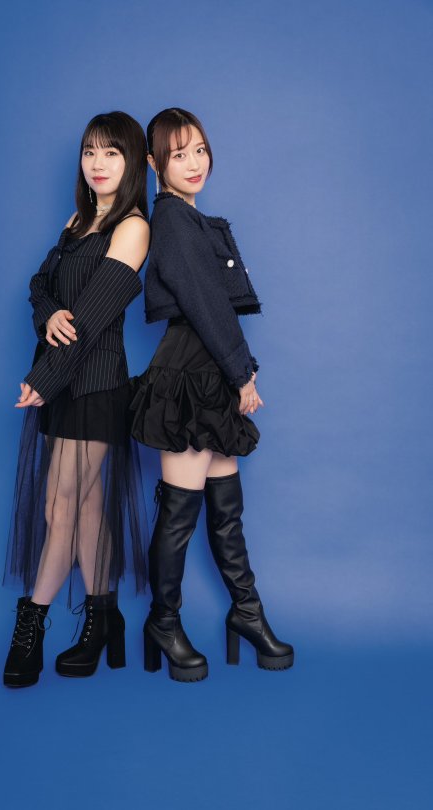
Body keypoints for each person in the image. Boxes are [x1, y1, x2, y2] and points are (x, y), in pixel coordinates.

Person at [130, 107, 294, 682]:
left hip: (209, 375)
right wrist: (244, 374)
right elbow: (204, 305)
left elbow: (216, 308)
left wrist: (235, 373)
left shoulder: (191, 219)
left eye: (199, 149)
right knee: (180, 514)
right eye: (179, 154)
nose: (194, 162)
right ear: (155, 164)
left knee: (226, 511)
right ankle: (163, 621)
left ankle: (247, 612)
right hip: (187, 378)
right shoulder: (173, 220)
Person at [2, 111, 150, 687]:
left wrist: (42, 377)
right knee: (84, 510)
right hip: (64, 383)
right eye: (90, 151)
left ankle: (31, 624)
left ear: (132, 162)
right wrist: (47, 315)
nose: (97, 163)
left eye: (111, 152)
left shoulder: (133, 228)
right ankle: (103, 620)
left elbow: (88, 323)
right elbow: (39, 286)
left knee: (60, 509)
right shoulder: (78, 220)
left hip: (95, 385)